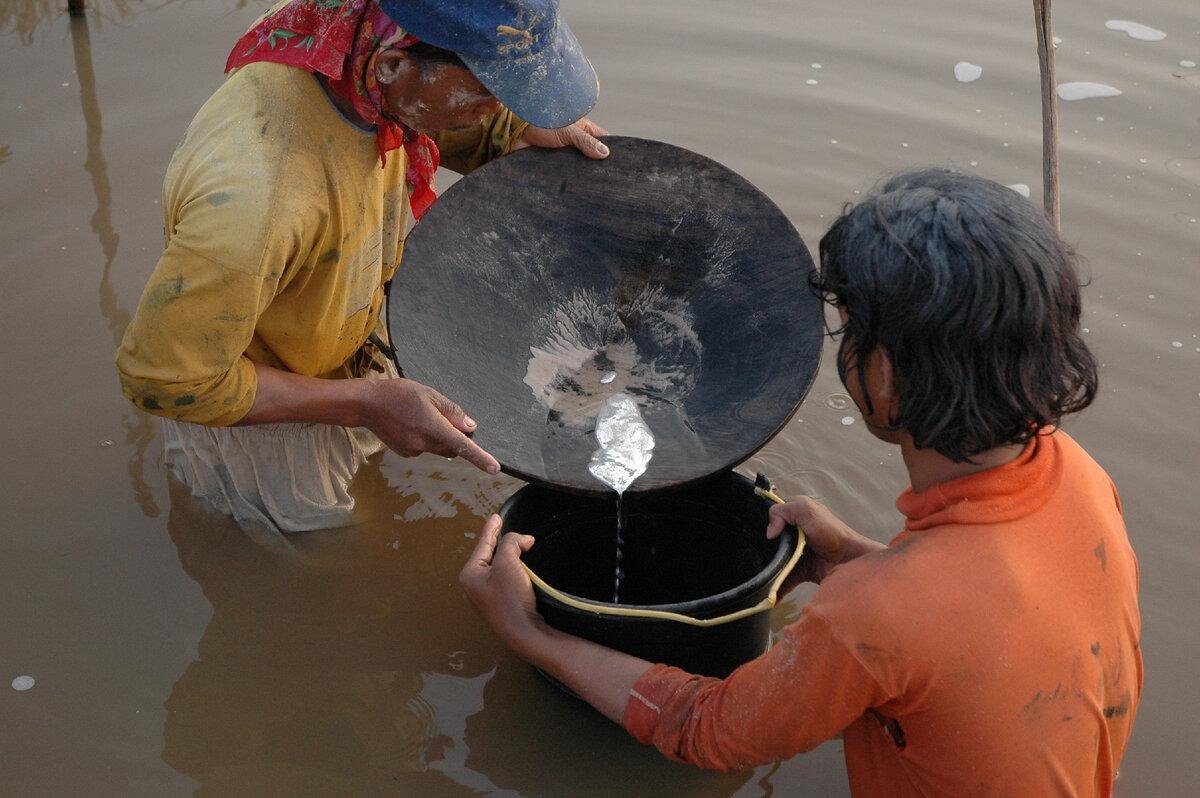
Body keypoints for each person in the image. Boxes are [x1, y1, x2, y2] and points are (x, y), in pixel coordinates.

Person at [460, 169, 1143, 795]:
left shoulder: (879, 616)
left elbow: (707, 729)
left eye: (849, 332)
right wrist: (852, 559)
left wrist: (529, 633)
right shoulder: (1078, 478)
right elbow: (984, 627)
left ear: (885, 375)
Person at [115, 0, 608, 531]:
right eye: (490, 94)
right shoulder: (255, 206)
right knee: (312, 559)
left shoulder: (354, 37)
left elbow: (425, 106)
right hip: (260, 407)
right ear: (392, 65)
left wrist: (511, 133)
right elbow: (166, 380)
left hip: (340, 326)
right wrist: (360, 403)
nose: (503, 107)